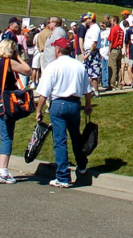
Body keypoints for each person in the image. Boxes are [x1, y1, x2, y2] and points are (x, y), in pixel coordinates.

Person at [35, 36, 92, 189]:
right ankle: (81, 165)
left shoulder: (53, 66)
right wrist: (88, 104)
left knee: (60, 140)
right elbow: (87, 89)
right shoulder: (79, 65)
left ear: (58, 50)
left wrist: (38, 109)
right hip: (74, 103)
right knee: (76, 137)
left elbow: (44, 92)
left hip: (58, 103)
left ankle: (62, 176)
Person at [0, 39, 31, 183]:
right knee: (6, 136)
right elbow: (27, 70)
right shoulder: (9, 63)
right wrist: (17, 57)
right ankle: (3, 171)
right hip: (2, 102)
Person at [81, 13, 102, 95]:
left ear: (91, 19)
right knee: (89, 72)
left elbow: (94, 42)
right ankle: (91, 90)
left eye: (87, 19)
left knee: (94, 72)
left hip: (93, 52)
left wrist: (88, 54)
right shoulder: (91, 28)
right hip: (89, 51)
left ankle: (96, 91)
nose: (85, 20)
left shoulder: (95, 28)